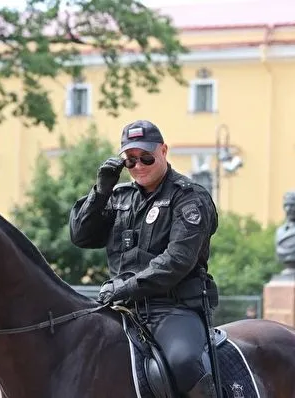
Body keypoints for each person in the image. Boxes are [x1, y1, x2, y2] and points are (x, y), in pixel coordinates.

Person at [69, 120, 219, 398]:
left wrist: (124, 288)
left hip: (173, 309)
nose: (138, 166)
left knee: (183, 362)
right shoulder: (119, 197)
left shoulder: (188, 198)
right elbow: (81, 236)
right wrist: (100, 192)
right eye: (130, 160)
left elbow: (177, 260)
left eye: (146, 157)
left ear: (163, 151)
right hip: (120, 309)